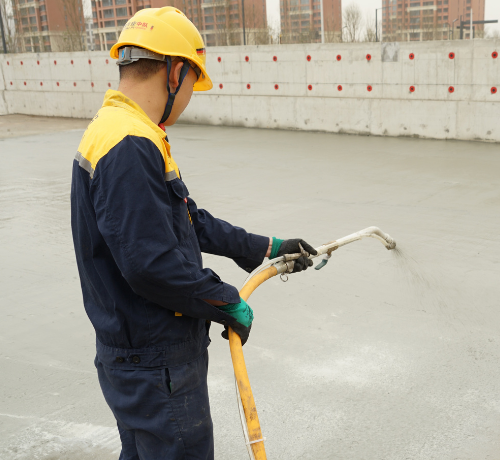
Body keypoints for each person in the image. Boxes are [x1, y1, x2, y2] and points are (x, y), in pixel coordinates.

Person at [70, 7, 316, 459]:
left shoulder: (124, 131)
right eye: (190, 85)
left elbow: (187, 220)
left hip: (137, 358)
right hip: (155, 361)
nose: (187, 98)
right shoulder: (129, 145)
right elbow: (150, 265)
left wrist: (268, 247)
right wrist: (224, 300)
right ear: (175, 71)